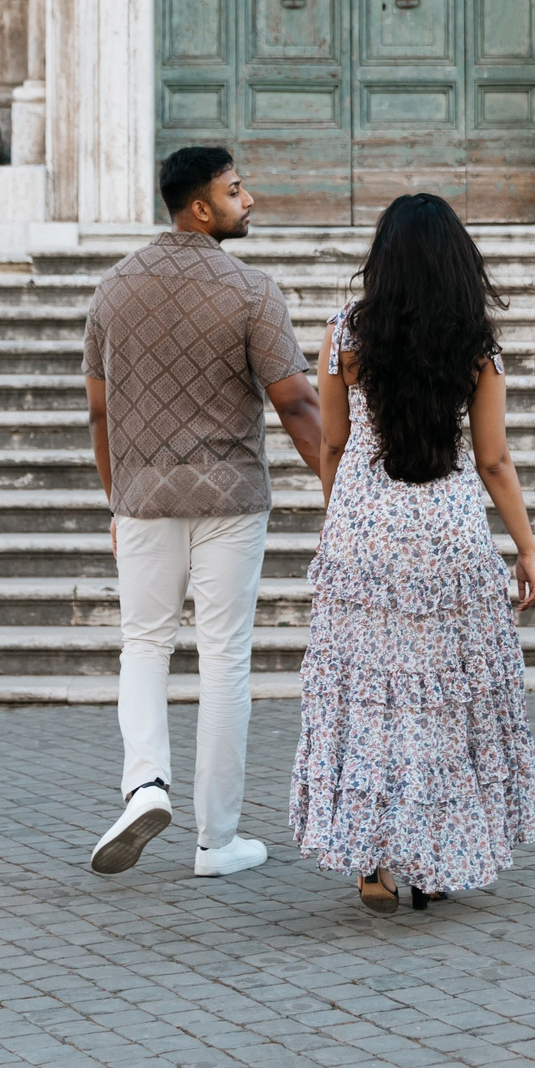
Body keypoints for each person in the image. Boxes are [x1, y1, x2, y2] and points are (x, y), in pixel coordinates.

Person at [288, 192, 535, 915]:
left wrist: (341, 522)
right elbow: (493, 460)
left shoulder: (344, 333)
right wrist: (525, 547)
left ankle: (372, 860)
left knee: (370, 690)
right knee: (443, 694)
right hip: (449, 530)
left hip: (365, 526)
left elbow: (333, 444)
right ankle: (436, 853)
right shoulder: (477, 346)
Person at [83, 147, 326, 878]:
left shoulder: (111, 292)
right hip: (230, 497)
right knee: (224, 657)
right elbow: (296, 402)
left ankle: (144, 783)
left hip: (145, 496)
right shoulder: (252, 290)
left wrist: (115, 499)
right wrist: (339, 493)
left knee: (144, 645)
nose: (248, 199)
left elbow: (99, 413)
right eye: (235, 189)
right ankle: (217, 841)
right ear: (200, 207)